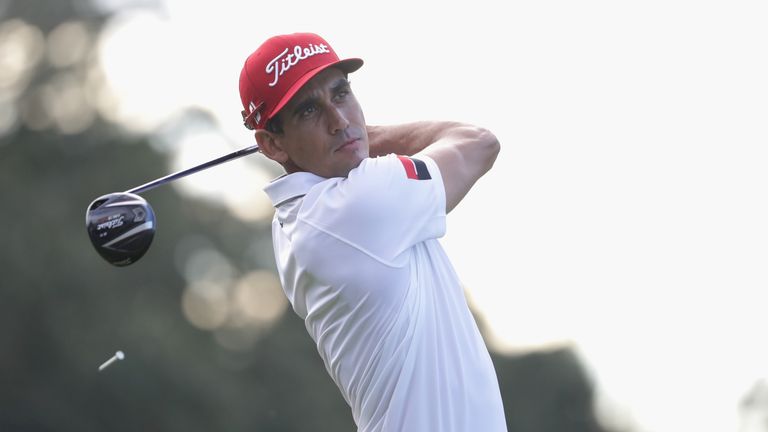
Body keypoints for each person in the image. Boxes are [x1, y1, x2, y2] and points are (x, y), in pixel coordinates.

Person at [238, 32, 507, 432]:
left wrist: (351, 141)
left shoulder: (297, 220)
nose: (339, 121)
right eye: (310, 111)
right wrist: (371, 135)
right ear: (273, 145)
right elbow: (479, 143)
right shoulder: (357, 205)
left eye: (341, 94)